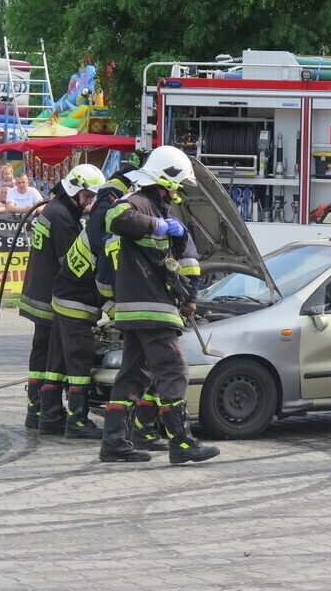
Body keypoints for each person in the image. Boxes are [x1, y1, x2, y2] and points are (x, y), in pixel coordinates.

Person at [103, 145, 219, 465]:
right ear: (164, 180)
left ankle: (113, 443)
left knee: (133, 375)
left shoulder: (159, 210)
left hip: (138, 306)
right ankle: (181, 443)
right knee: (174, 369)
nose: (178, 193)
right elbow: (114, 216)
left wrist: (177, 232)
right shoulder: (139, 202)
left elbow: (169, 255)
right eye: (177, 186)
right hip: (150, 304)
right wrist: (157, 226)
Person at [44, 166, 131, 441]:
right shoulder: (107, 235)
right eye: (86, 195)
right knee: (79, 362)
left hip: (62, 296)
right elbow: (104, 285)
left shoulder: (100, 213)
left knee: (56, 363)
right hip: (76, 303)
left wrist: (128, 171)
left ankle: (49, 418)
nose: (90, 200)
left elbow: (106, 192)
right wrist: (122, 314)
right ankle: (77, 421)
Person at [19, 164, 106, 433]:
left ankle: (38, 412)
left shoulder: (54, 209)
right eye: (87, 197)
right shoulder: (62, 217)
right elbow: (71, 263)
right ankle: (45, 411)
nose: (89, 203)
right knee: (49, 357)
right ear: (75, 189)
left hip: (37, 291)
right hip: (50, 297)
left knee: (42, 354)